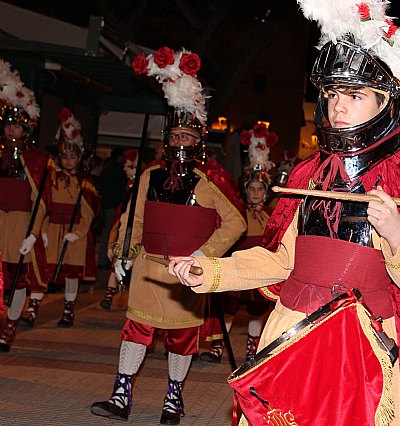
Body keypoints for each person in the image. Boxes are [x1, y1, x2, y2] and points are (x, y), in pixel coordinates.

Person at [170, 2, 400, 423]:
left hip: (364, 348)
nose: (338, 106)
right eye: (333, 94)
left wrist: (397, 236)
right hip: (292, 334)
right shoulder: (306, 172)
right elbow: (281, 261)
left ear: (385, 103)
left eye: (354, 95)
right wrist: (210, 272)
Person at [90, 47, 246, 425]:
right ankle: (121, 395)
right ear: (166, 137)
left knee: (181, 338)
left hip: (185, 272)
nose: (180, 141)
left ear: (198, 141)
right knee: (135, 330)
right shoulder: (148, 176)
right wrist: (123, 253)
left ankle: (173, 400)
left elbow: (236, 223)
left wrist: (204, 254)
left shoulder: (211, 183)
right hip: (148, 266)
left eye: (187, 136)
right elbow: (133, 219)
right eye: (175, 134)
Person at [200, 123, 276, 363]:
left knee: (257, 309)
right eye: (251, 189)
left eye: (259, 189)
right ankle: (217, 347)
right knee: (229, 308)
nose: (255, 193)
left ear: (266, 191)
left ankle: (252, 350)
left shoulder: (271, 215)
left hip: (258, 269)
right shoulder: (237, 213)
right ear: (245, 190)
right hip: (237, 266)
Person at [21, 108, 98, 328]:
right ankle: (32, 308)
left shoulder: (84, 182)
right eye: (64, 156)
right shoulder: (51, 178)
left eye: (72, 156)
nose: (68, 160)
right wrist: (42, 230)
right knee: (43, 270)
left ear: (79, 158)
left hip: (73, 233)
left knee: (71, 273)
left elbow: (88, 212)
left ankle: (68, 310)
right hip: (52, 230)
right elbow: (44, 205)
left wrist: (79, 233)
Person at [0, 60, 49, 353]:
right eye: (8, 125)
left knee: (18, 280)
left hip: (20, 224)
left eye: (16, 125)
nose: (11, 131)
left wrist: (33, 233)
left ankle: (10, 328)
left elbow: (41, 201)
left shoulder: (35, 159)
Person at [100, 149, 138, 310]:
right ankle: (109, 295)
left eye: (130, 166)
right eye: (125, 166)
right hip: (124, 229)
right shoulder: (127, 189)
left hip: (137, 233)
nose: (125, 169)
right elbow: (119, 218)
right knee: (116, 262)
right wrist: (111, 243)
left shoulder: (141, 189)